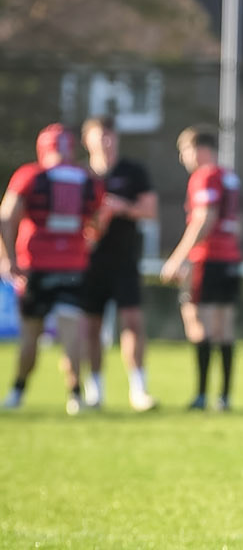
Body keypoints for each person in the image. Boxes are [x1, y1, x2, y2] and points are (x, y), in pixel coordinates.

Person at [0, 124, 100, 415]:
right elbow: (97, 221)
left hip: (36, 267)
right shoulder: (86, 179)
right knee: (72, 334)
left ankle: (17, 391)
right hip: (73, 265)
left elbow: (6, 216)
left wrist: (7, 257)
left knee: (31, 334)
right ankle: (75, 395)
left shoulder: (30, 175)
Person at [79, 114, 158, 411]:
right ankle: (94, 390)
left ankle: (139, 389)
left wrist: (121, 207)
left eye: (111, 135)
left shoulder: (133, 172)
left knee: (133, 323)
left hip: (125, 261)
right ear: (88, 141)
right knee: (91, 327)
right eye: (100, 136)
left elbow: (149, 210)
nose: (106, 142)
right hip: (89, 263)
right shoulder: (81, 176)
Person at [160, 127, 242, 412]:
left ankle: (201, 395)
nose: (184, 159)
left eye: (184, 151)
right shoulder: (229, 177)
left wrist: (178, 258)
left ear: (199, 149)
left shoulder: (204, 176)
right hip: (231, 258)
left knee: (198, 323)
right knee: (225, 326)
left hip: (207, 259)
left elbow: (205, 218)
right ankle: (224, 397)